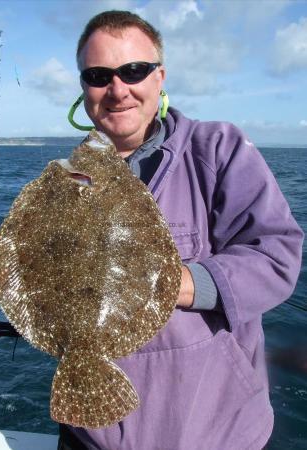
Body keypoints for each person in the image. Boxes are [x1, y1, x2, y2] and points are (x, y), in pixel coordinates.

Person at [58, 10, 304, 450]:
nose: (118, 90)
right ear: (84, 87)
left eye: (134, 70)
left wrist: (170, 282)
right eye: (98, 75)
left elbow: (277, 256)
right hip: (89, 433)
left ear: (159, 77)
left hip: (207, 433)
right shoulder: (66, 180)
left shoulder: (217, 149)